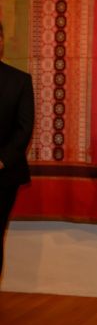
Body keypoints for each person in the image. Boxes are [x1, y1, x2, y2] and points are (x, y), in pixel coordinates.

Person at [0, 21, 35, 276]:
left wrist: (2, 160)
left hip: (2, 175)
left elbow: (24, 128)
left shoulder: (20, 80)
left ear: (1, 41)